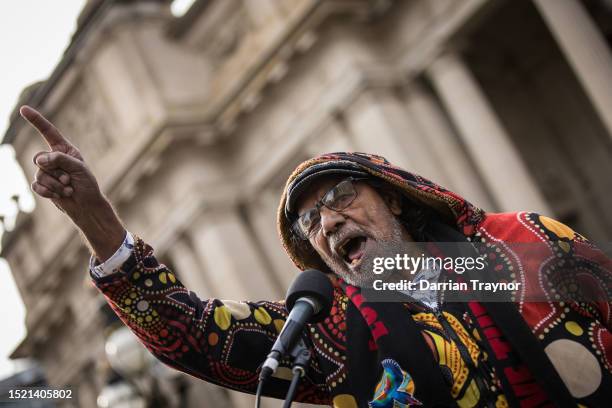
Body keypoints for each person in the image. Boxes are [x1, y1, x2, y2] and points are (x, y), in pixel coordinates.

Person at [20, 105, 611, 407]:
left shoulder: (518, 246)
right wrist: (97, 223)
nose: (328, 222)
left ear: (397, 201)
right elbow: (198, 334)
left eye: (342, 197)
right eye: (310, 222)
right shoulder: (333, 329)